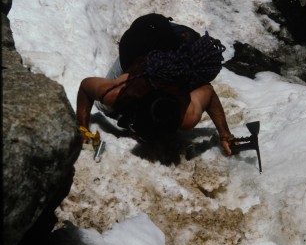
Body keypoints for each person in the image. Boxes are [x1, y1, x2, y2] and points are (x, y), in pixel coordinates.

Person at [76, 13, 234, 156]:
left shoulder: (188, 115)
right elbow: (85, 87)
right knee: (104, 107)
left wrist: (225, 135)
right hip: (142, 35)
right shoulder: (116, 92)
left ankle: (171, 30)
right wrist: (82, 128)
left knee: (189, 63)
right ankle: (166, 28)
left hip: (182, 40)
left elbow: (209, 91)